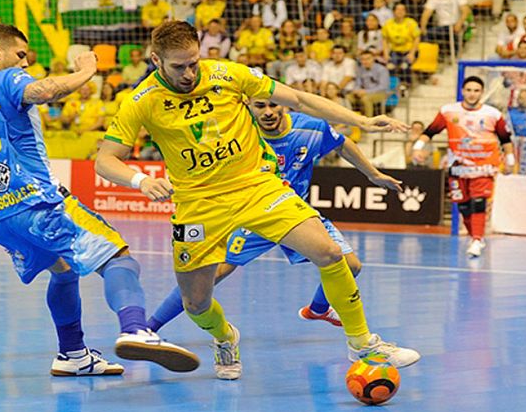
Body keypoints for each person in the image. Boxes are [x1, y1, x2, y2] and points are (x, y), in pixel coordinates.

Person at [96, 21, 420, 381]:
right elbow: (105, 160)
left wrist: (360, 120)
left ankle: (362, 342)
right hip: (198, 204)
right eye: (179, 66)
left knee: (329, 252)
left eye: (194, 63)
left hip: (258, 186)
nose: (189, 73)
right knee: (196, 303)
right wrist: (140, 180)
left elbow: (298, 99)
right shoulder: (141, 101)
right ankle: (225, 336)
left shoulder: (228, 74)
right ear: (156, 59)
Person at [0, 23, 199, 376]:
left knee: (62, 272)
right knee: (118, 257)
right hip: (36, 201)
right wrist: (88, 71)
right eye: (20, 55)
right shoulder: (4, 79)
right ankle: (137, 329)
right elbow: (44, 90)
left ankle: (73, 355)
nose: (24, 64)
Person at [148, 99, 403, 332]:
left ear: (285, 105)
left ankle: (318, 309)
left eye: (274, 105)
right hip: (251, 214)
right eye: (261, 106)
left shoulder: (310, 128)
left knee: (350, 265)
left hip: (294, 215)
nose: (269, 112)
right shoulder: (238, 134)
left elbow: (342, 143)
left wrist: (374, 174)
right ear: (249, 107)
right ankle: (149, 328)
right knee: (210, 277)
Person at [412, 76, 514, 258]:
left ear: (481, 93)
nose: (472, 94)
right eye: (469, 90)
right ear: (462, 91)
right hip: (458, 166)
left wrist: (510, 160)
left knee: (478, 202)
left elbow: (505, 139)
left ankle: (476, 238)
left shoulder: (493, 114)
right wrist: (417, 148)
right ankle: (475, 237)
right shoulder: (448, 111)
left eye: (476, 91)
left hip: (484, 166)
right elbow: (430, 132)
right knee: (464, 206)